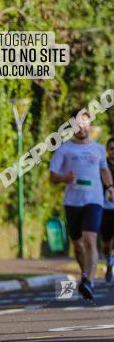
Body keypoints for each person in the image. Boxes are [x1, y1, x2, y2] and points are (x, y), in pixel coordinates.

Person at [49, 109, 114, 300]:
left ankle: (90, 282)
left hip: (94, 201)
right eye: (77, 123)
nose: (81, 127)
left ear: (89, 125)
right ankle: (84, 273)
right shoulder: (64, 150)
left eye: (84, 123)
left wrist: (110, 186)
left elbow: (104, 170)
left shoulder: (98, 149)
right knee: (77, 245)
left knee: (90, 238)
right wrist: (64, 178)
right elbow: (52, 177)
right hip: (72, 202)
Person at [102, 137, 114, 283]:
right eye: (111, 148)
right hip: (105, 207)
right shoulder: (103, 166)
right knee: (106, 244)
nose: (113, 151)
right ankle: (109, 262)